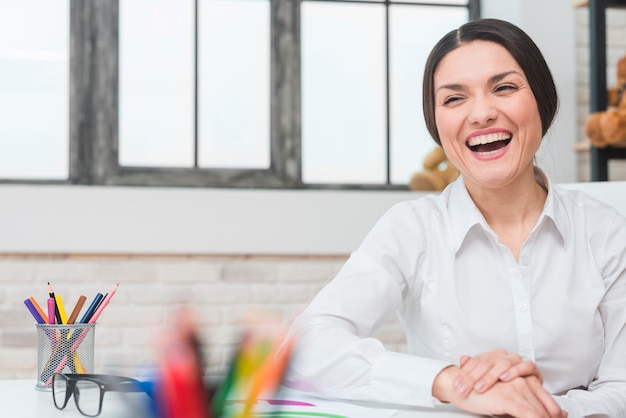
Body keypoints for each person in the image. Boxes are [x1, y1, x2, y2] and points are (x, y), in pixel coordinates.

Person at [283, 18, 626, 418]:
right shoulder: (411, 228)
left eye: (504, 88)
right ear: (436, 122)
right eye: (453, 99)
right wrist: (453, 383)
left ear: (541, 101)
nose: (481, 113)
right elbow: (305, 346)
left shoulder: (607, 232)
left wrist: (542, 409)